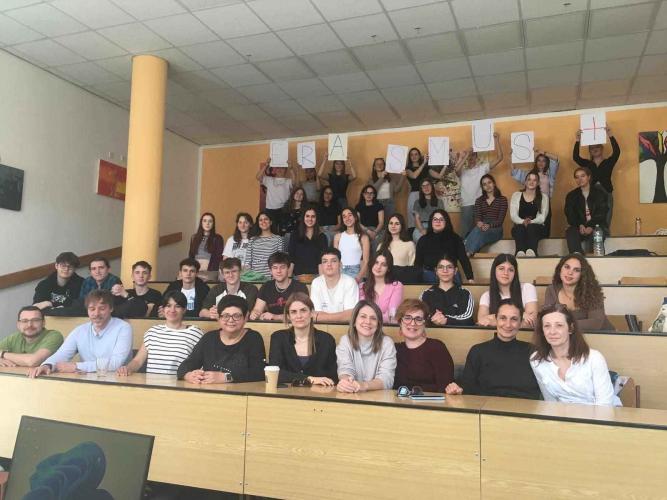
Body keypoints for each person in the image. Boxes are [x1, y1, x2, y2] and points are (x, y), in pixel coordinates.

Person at [445, 300, 540, 399]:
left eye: (514, 319)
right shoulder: (477, 351)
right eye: (503, 318)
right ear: (496, 320)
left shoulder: (532, 351)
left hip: (523, 407)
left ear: (520, 323)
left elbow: (537, 392)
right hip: (485, 407)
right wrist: (456, 390)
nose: (508, 324)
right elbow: (467, 390)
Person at [531, 304, 620, 406]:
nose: (552, 332)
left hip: (600, 413)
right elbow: (550, 403)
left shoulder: (594, 358)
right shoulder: (536, 360)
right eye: (547, 326)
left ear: (571, 328)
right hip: (563, 415)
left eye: (559, 325)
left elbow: (605, 405)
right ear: (542, 331)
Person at [28, 290, 132, 377]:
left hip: (118, 381)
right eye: (92, 309)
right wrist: (47, 365)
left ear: (111, 308)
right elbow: (62, 354)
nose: (96, 313)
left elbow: (115, 363)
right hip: (87, 381)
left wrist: (77, 366)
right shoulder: (80, 331)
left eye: (102, 308)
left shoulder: (123, 328)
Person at [177, 295, 265, 383]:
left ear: (245, 318)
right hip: (211, 390)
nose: (231, 320)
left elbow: (260, 372)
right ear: (219, 318)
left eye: (237, 316)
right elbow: (185, 367)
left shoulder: (253, 338)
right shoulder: (209, 338)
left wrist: (226, 377)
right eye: (226, 316)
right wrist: (189, 375)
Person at [117, 291, 204, 376]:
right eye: (168, 306)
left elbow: (202, 364)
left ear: (184, 310)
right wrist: (127, 368)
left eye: (177, 306)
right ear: (163, 309)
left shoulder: (195, 332)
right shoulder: (152, 332)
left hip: (179, 384)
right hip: (151, 384)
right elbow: (137, 361)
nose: (172, 310)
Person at [268, 292, 337, 385]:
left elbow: (333, 377)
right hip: (286, 393)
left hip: (319, 392)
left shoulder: (327, 340)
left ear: (312, 313)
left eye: (303, 310)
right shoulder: (278, 338)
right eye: (293, 312)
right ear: (288, 316)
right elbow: (274, 373)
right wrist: (308, 379)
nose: (299, 316)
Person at [394, 299, 454, 392]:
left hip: (430, 400)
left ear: (424, 324)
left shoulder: (436, 347)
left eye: (418, 319)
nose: (413, 323)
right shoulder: (393, 349)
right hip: (398, 400)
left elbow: (445, 387)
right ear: (400, 322)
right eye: (407, 318)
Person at [336, 301, 397, 392]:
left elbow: (386, 379)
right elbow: (345, 369)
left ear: (378, 324)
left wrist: (364, 385)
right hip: (352, 394)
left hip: (378, 397)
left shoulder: (387, 343)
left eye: (373, 318)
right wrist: (346, 383)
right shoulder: (345, 341)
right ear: (354, 321)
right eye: (363, 316)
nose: (368, 322)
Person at [544, 254, 615, 331]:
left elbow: (595, 323)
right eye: (567, 267)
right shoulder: (551, 290)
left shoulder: (592, 291)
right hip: (569, 335)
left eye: (576, 270)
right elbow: (548, 318)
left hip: (603, 335)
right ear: (560, 269)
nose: (570, 273)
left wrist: (565, 325)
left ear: (582, 275)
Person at [455, 134, 504, 237]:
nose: (471, 157)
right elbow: (457, 170)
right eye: (469, 155)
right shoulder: (463, 171)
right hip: (466, 205)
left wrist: (496, 140)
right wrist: (466, 155)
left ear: (476, 157)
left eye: (473, 155)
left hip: (481, 205)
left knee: (480, 233)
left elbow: (500, 158)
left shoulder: (483, 168)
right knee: (465, 234)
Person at [573, 126, 619, 230]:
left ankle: (605, 235)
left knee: (606, 220)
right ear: (589, 151)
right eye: (592, 148)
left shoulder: (608, 162)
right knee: (592, 220)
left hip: (606, 192)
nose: (595, 149)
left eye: (597, 147)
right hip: (592, 194)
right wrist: (577, 140)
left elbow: (617, 152)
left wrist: (610, 135)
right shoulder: (587, 164)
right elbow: (575, 157)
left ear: (602, 148)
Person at [477, 254, 538, 328]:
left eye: (510, 270)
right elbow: (482, 321)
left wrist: (494, 320)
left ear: (515, 273)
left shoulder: (527, 288)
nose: (506, 273)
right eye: (501, 268)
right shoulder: (486, 296)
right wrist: (520, 315)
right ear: (494, 271)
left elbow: (531, 322)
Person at [415, 209, 473, 284]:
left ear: (446, 222)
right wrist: (416, 280)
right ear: (431, 222)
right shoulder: (423, 240)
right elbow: (418, 263)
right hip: (429, 275)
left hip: (450, 274)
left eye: (441, 219)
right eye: (435, 219)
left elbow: (463, 259)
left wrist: (470, 278)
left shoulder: (455, 238)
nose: (438, 222)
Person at [511, 149, 559, 236]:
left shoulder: (549, 173)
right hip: (531, 203)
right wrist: (511, 156)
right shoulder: (530, 174)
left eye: (543, 161)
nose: (541, 163)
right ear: (536, 162)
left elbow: (556, 159)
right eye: (539, 160)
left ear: (547, 163)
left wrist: (542, 152)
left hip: (544, 203)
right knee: (530, 228)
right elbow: (514, 171)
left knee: (545, 228)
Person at [250, 252, 308, 321]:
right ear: (270, 271)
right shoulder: (266, 286)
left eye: (282, 267)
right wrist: (255, 314)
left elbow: (303, 314)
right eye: (275, 268)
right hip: (271, 326)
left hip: (295, 324)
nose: (279, 271)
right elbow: (257, 309)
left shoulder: (300, 287)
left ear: (288, 269)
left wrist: (276, 317)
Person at [420, 255, 474, 326]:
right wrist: (433, 319)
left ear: (455, 271)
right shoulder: (426, 294)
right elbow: (420, 317)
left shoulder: (465, 293)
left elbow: (468, 319)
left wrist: (445, 320)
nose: (445, 271)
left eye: (449, 267)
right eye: (441, 267)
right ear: (436, 271)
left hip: (457, 333)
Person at [564, 166, 608, 254]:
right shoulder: (571, 195)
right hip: (579, 227)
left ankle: (594, 257)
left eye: (583, 176)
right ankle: (577, 256)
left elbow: (602, 213)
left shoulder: (599, 193)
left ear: (589, 177)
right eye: (577, 177)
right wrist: (580, 225)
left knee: (597, 233)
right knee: (570, 231)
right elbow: (570, 214)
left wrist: (591, 226)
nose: (580, 179)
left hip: (596, 226)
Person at [310, 247, 359, 323]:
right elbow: (315, 314)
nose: (329, 264)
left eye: (333, 261)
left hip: (345, 327)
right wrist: (341, 316)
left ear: (340, 264)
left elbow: (350, 315)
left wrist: (320, 317)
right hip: (321, 327)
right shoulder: (316, 283)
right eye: (325, 261)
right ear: (321, 266)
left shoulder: (350, 282)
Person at [464, 174, 507, 257]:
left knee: (478, 231)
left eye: (489, 182)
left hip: (496, 229)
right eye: (484, 184)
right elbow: (477, 217)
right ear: (482, 187)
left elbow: (500, 221)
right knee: (478, 230)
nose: (488, 186)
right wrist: (479, 222)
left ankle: (465, 250)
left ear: (494, 183)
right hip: (481, 228)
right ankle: (468, 253)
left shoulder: (502, 200)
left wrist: (489, 225)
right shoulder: (479, 200)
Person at [510, 171, 549, 257]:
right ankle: (520, 252)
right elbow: (513, 215)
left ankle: (532, 252)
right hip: (520, 226)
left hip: (537, 227)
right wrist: (522, 221)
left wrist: (531, 222)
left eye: (534, 180)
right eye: (529, 179)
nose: (531, 182)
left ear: (538, 183)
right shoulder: (516, 195)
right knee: (519, 228)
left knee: (531, 227)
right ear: (525, 182)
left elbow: (542, 217)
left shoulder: (544, 197)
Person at [360, 252, 404, 323]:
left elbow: (392, 316)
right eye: (376, 263)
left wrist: (369, 317)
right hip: (365, 326)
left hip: (386, 327)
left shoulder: (396, 286)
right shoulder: (362, 286)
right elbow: (360, 312)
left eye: (383, 265)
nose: (378, 267)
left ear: (388, 268)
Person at [256, 157, 296, 230]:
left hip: (284, 209)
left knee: (283, 231)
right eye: (278, 168)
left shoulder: (288, 181)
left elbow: (295, 182)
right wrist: (266, 164)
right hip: (270, 209)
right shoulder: (269, 179)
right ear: (275, 169)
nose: (280, 170)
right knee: (270, 230)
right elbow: (258, 177)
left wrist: (291, 169)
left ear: (285, 170)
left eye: (282, 168)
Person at [376, 213, 417, 283]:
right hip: (384, 281)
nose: (393, 226)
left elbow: (412, 267)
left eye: (397, 224)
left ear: (402, 226)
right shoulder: (381, 245)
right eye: (391, 223)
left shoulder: (409, 244)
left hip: (402, 281)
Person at [288, 207, 328, 277]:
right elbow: (291, 258)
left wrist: (321, 279)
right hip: (298, 276)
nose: (310, 219)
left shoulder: (322, 237)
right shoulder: (295, 235)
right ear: (303, 218)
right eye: (307, 216)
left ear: (316, 219)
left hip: (316, 276)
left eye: (313, 216)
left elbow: (321, 260)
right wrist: (289, 277)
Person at [333, 208, 370, 282]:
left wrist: (358, 277)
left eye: (350, 215)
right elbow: (335, 258)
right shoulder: (337, 236)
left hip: (356, 272)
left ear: (355, 217)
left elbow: (366, 261)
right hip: (340, 271)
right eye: (344, 216)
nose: (347, 218)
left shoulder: (363, 237)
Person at [247, 211, 285, 280]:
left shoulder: (278, 239)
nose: (263, 222)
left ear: (271, 222)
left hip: (271, 278)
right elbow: (248, 262)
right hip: (254, 278)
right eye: (260, 220)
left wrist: (275, 277)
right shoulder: (252, 240)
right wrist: (249, 278)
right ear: (258, 223)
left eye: (266, 219)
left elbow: (280, 260)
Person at [412, 178, 444, 242]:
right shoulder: (417, 202)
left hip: (435, 225)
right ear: (421, 189)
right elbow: (416, 218)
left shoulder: (439, 202)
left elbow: (441, 218)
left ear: (432, 186)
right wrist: (422, 230)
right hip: (421, 226)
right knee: (420, 238)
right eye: (423, 186)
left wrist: (435, 229)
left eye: (428, 185)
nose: (426, 188)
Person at [404, 147, 428, 221]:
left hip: (425, 195)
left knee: (425, 217)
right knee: (413, 218)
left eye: (416, 154)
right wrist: (424, 163)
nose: (414, 156)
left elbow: (439, 176)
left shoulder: (426, 168)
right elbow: (414, 176)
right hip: (414, 195)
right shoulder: (407, 169)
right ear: (409, 157)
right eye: (411, 155)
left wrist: (445, 165)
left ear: (419, 156)